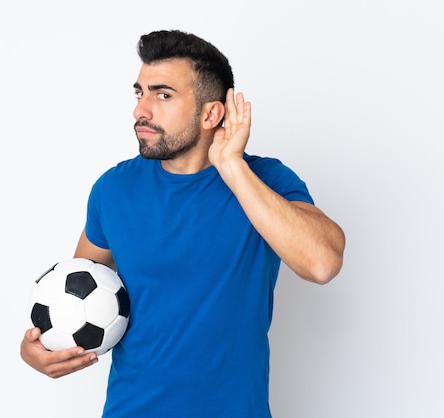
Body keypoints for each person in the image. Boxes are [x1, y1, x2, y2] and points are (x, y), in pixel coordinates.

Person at [21, 29, 345, 417]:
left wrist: (231, 167)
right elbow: (75, 293)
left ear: (211, 113)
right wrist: (38, 349)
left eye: (163, 94)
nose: (141, 110)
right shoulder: (113, 189)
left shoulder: (265, 181)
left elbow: (323, 263)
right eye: (140, 92)